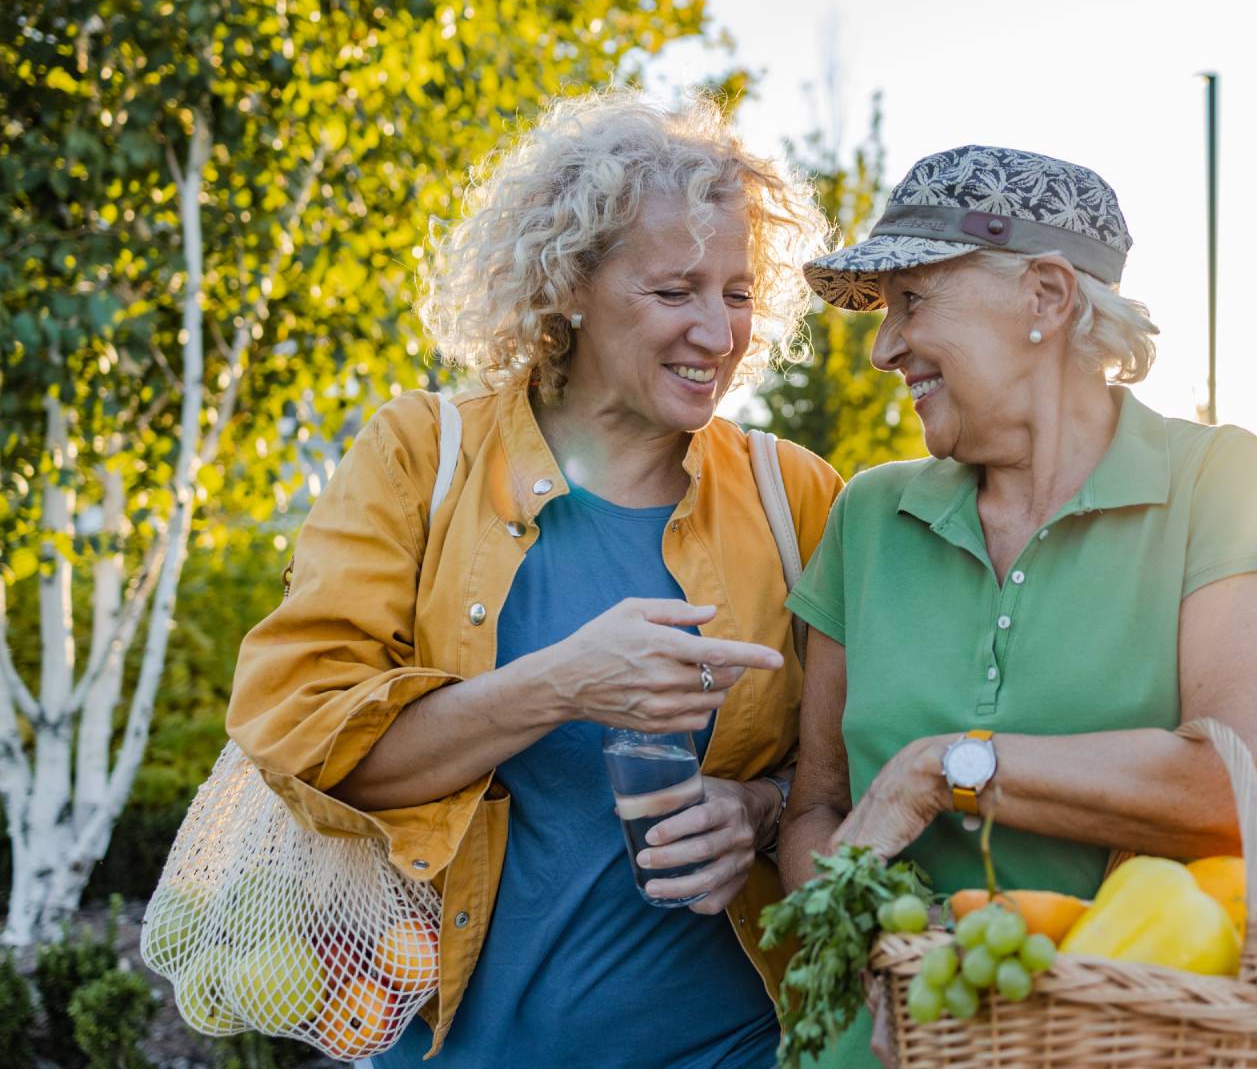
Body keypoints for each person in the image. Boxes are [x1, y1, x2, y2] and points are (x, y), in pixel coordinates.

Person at [225, 91, 839, 1066]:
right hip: (457, 1044)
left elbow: (846, 765)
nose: (719, 335)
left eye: (737, 292)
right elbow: (304, 744)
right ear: (569, 285)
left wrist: (758, 812)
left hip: (735, 1041)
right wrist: (563, 683)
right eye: (675, 290)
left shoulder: (793, 492)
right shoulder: (424, 455)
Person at [778, 145, 1257, 1065]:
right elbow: (815, 808)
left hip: (1107, 1038)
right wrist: (869, 944)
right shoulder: (869, 514)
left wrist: (944, 771)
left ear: (1046, 297)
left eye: (914, 301)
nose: (883, 348)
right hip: (876, 1043)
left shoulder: (1209, 481)